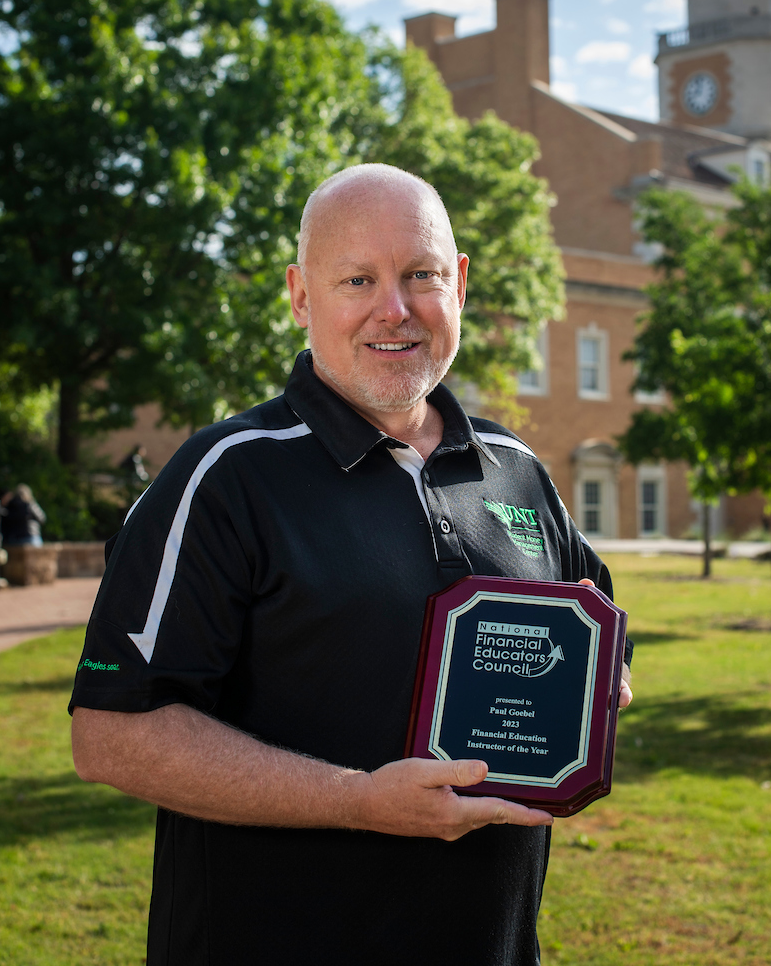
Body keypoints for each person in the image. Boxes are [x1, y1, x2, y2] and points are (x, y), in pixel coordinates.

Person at [70, 164, 633, 966]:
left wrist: (598, 690)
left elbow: (599, 636)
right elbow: (109, 733)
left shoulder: (516, 469)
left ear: (461, 283)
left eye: (421, 275)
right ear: (301, 296)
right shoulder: (225, 477)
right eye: (358, 278)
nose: (393, 309)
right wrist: (361, 802)